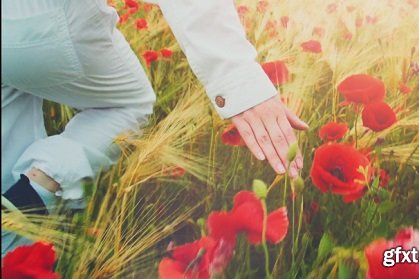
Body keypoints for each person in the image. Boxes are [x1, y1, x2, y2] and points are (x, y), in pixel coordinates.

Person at [1, 0, 308, 256]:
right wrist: (239, 80)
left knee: (9, 118)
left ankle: (11, 240)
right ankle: (35, 190)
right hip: (39, 24)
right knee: (128, 104)